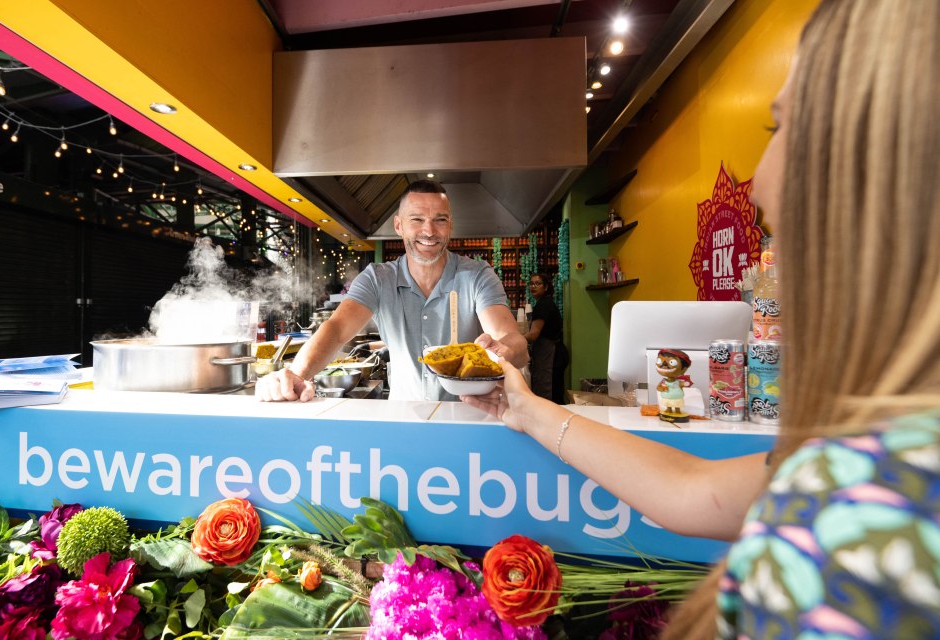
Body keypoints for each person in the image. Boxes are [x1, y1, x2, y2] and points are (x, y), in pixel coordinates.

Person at [463, 1, 940, 637]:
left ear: (884, 173)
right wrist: (523, 409)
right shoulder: (881, 453)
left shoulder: (861, 514)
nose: (761, 181)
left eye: (782, 130)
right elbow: (696, 492)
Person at [256, 179, 528, 402]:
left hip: (472, 417)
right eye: (417, 219)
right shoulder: (378, 278)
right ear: (399, 225)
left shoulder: (477, 274)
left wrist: (500, 350)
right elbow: (337, 329)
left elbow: (511, 339)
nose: (429, 231)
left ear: (451, 226)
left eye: (440, 220)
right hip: (403, 419)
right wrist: (296, 373)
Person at [524, 273, 568, 403]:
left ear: (546, 287)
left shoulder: (544, 304)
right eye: (531, 283)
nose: (533, 286)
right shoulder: (544, 303)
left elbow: (533, 334)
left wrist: (516, 340)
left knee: (548, 395)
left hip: (551, 355)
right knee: (553, 393)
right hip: (552, 354)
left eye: (538, 283)